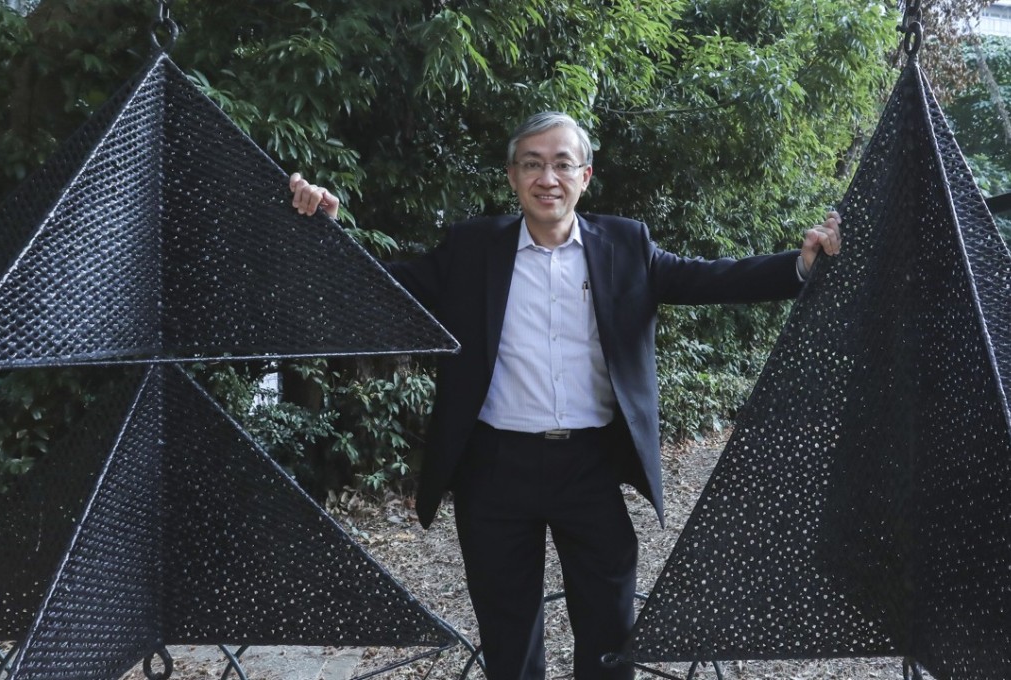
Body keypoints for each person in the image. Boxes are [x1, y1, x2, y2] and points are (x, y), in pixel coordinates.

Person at [289, 111, 841, 680]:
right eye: (532, 164)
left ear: (585, 175)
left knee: (609, 632)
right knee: (508, 639)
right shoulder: (472, 249)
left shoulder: (626, 244)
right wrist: (329, 230)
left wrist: (799, 266)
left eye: (561, 163)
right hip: (494, 468)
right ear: (511, 176)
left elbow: (711, 278)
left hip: (591, 466)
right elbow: (388, 286)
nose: (546, 177)